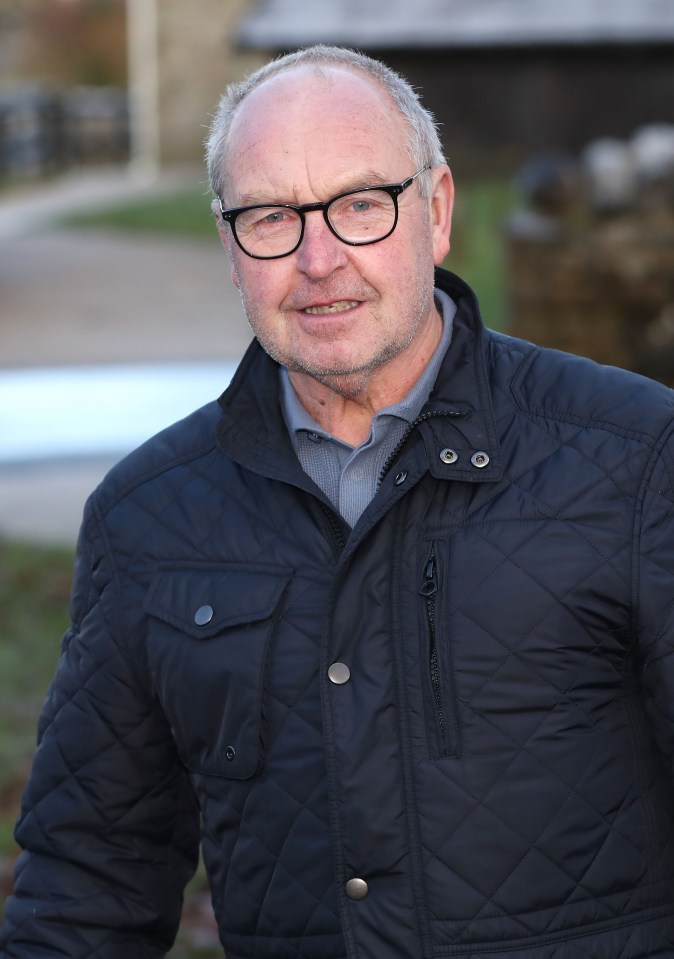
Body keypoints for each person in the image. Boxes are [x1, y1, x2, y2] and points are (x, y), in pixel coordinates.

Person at [2, 43, 674, 959]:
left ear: (434, 213)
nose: (319, 259)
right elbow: (87, 879)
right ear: (231, 247)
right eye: (272, 217)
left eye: (361, 204)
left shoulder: (637, 459)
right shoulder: (146, 517)